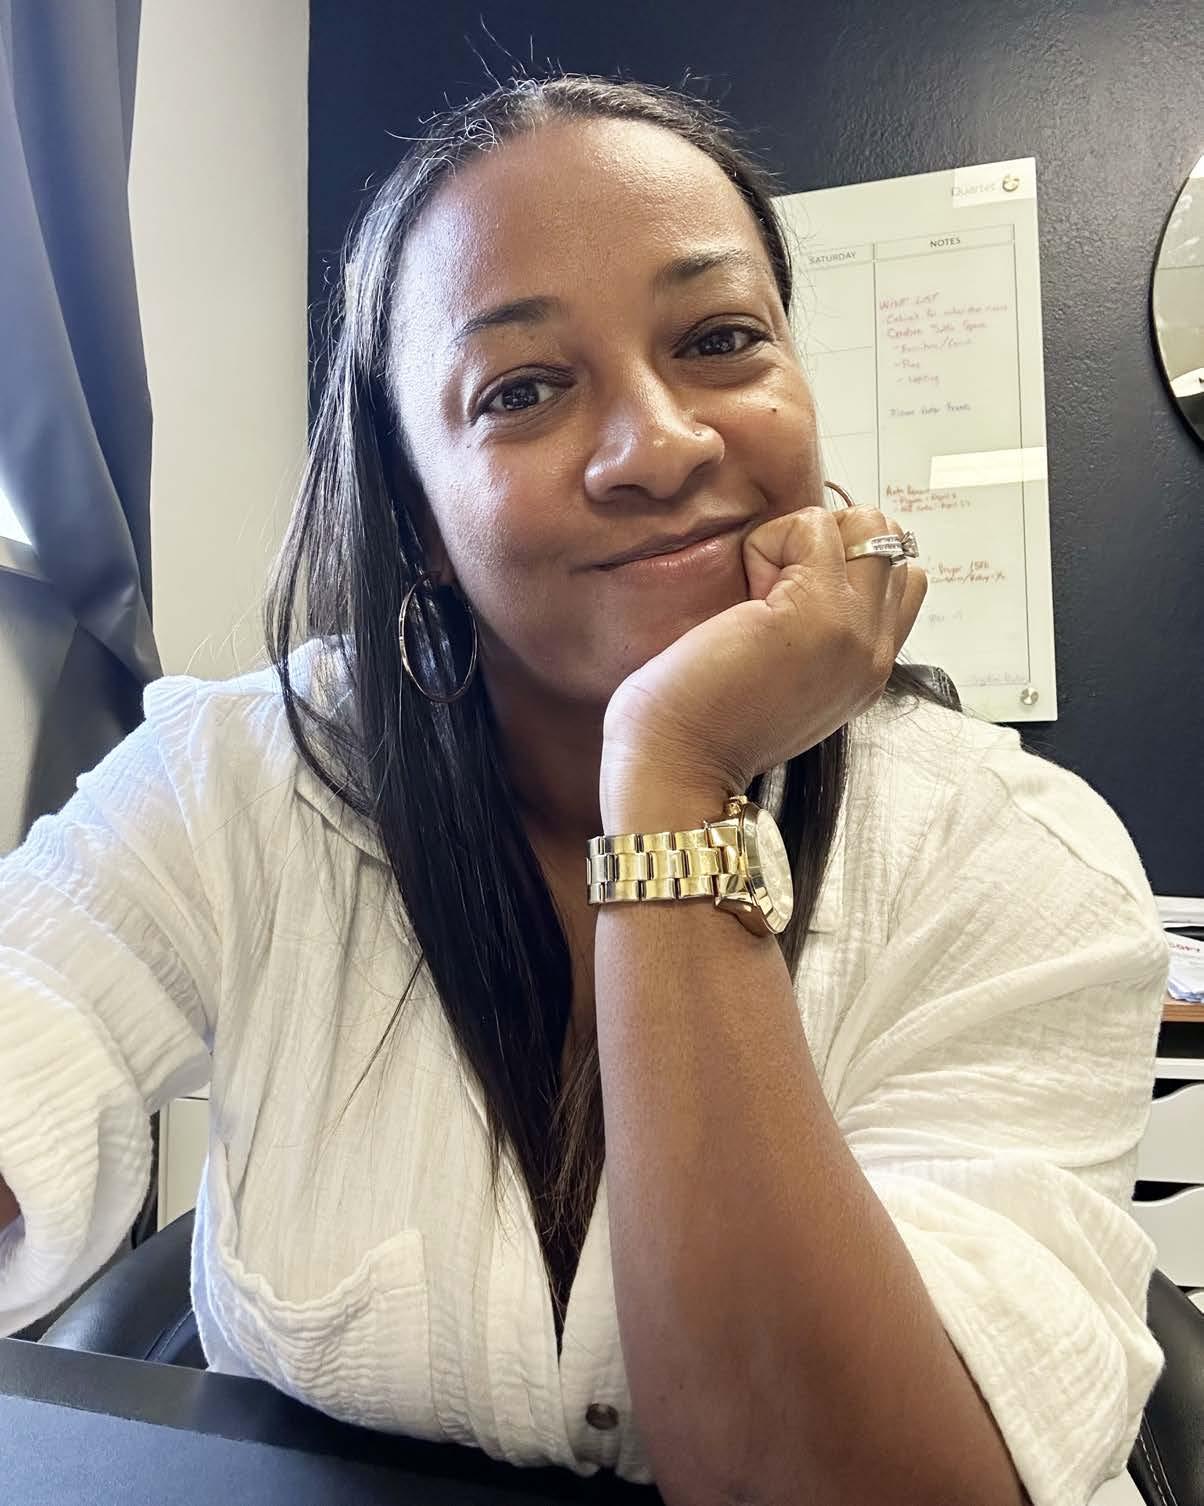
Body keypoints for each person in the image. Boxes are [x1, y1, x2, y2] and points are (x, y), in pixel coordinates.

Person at [0, 72, 1169, 1506]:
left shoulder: (1011, 854)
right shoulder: (239, 778)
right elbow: (30, 1005)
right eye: (523, 390)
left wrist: (676, 781)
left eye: (720, 339)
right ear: (417, 515)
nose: (661, 446)